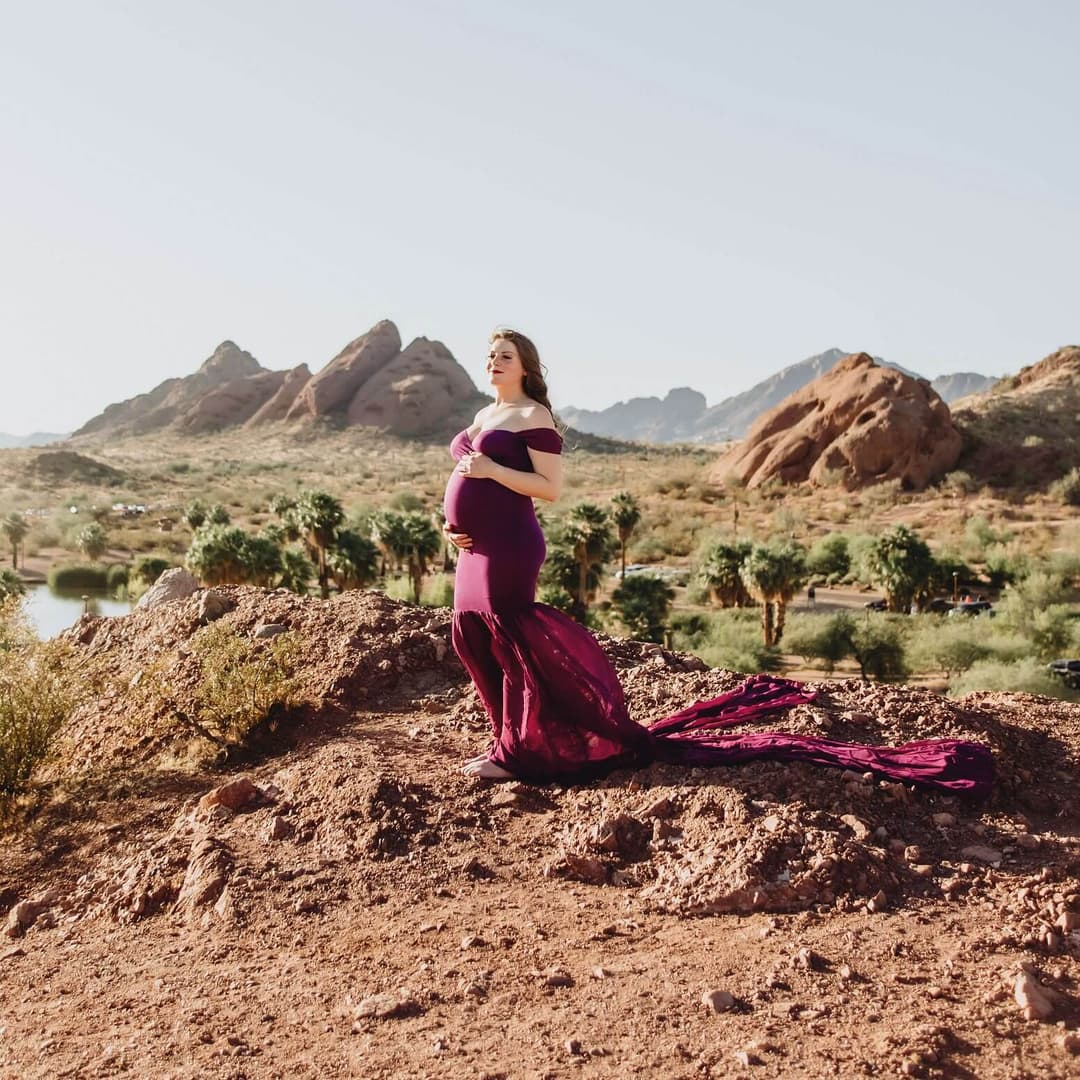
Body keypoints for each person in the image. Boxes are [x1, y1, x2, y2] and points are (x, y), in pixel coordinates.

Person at [442, 328, 993, 796]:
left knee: (510, 639)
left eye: (505, 355)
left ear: (526, 367)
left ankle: (520, 753)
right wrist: (454, 524)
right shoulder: (485, 412)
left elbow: (549, 488)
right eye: (490, 355)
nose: (494, 362)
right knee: (474, 640)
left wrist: (491, 474)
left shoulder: (532, 414)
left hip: (511, 545)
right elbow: (463, 474)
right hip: (475, 547)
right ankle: (505, 740)